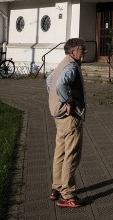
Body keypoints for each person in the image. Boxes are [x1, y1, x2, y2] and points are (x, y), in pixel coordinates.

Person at [47, 38, 86, 208]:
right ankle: (67, 195)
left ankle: (56, 188)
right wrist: (67, 101)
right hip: (70, 118)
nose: (84, 51)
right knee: (72, 155)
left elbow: (49, 81)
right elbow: (60, 84)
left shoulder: (64, 63)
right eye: (82, 49)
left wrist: (56, 100)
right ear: (73, 52)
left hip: (59, 117)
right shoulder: (71, 66)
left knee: (60, 153)